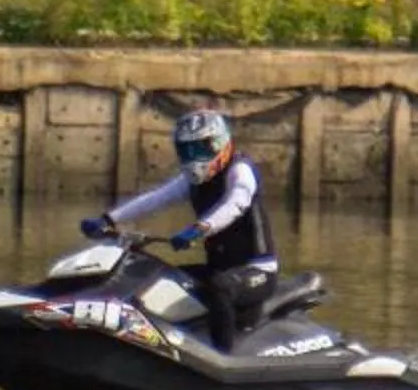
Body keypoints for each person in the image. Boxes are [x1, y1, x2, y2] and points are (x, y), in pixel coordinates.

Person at [83, 107, 277, 353]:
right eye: (186, 151)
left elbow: (235, 205)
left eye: (199, 149)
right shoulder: (191, 182)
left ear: (219, 143)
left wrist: (199, 229)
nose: (193, 157)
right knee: (162, 279)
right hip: (218, 268)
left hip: (257, 271)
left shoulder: (240, 171)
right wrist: (108, 219)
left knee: (221, 287)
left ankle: (224, 357)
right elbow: (155, 199)